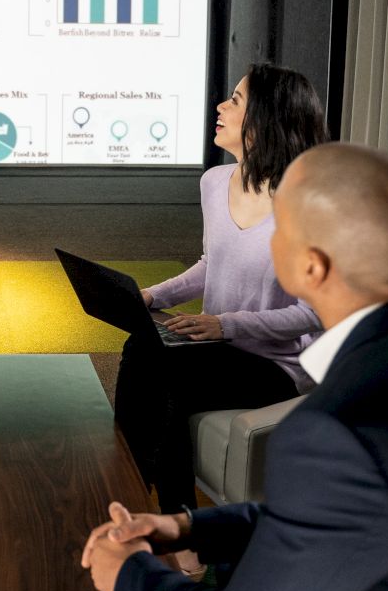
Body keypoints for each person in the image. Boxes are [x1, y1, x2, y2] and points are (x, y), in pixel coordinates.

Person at [82, 142, 388, 591]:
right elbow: (342, 518)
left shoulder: (334, 428)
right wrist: (191, 528)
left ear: (311, 267)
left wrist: (127, 574)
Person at [115, 63, 327, 525]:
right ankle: (126, 488)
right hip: (217, 347)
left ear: (267, 119)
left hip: (276, 364)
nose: (220, 106)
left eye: (235, 100)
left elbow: (313, 313)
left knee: (170, 381)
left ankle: (179, 527)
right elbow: (212, 265)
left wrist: (225, 324)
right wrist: (153, 296)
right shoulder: (215, 182)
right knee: (140, 346)